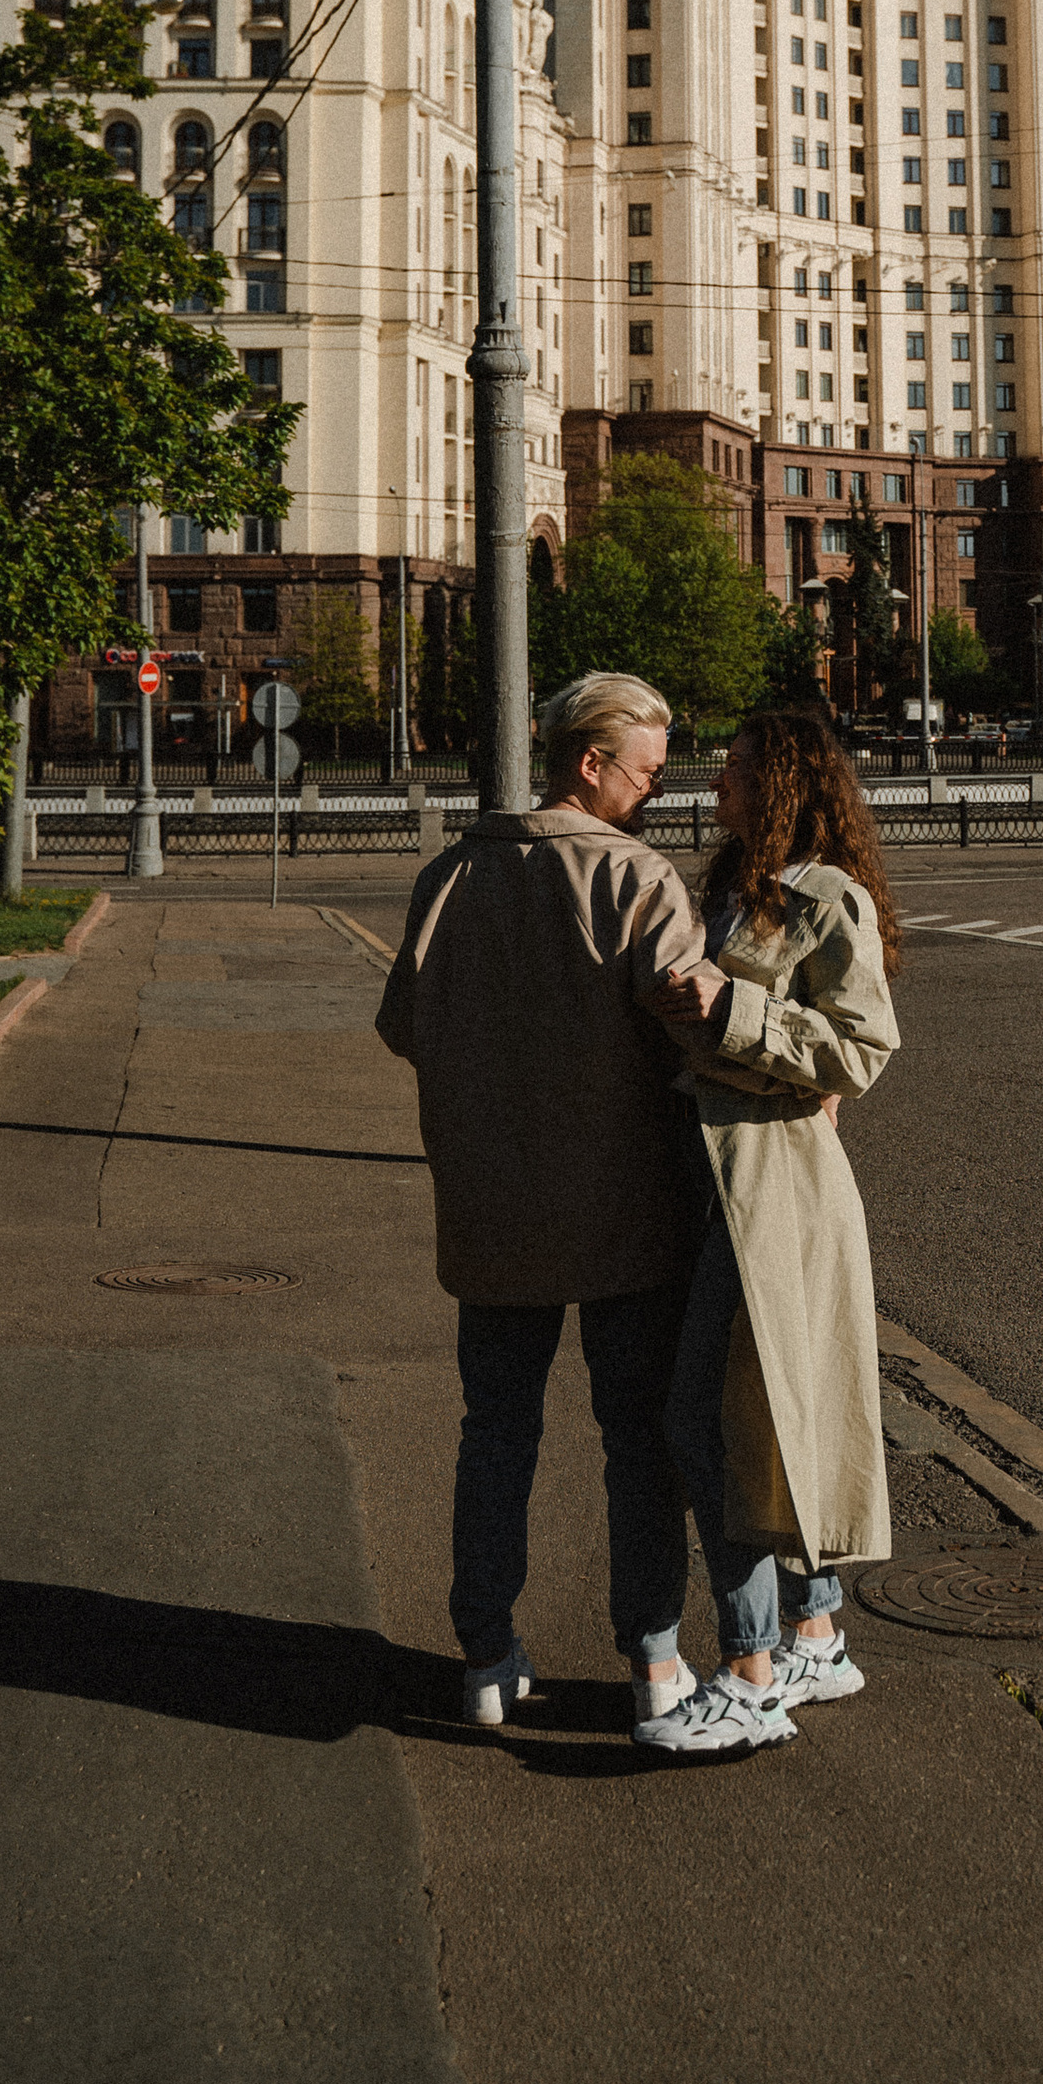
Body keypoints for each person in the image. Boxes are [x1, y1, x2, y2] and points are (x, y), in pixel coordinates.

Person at [376, 671, 706, 1731]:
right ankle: (653, 1660)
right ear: (587, 763)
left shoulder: (451, 876)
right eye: (645, 772)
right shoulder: (637, 880)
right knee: (637, 1439)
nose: (653, 794)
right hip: (623, 1207)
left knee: (496, 1431)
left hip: (491, 1207)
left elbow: (402, 1026)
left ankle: (484, 1655)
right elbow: (689, 1033)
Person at [644, 708, 903, 1757]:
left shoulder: (824, 898)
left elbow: (862, 1048)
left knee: (702, 1423)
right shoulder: (725, 891)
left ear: (786, 783)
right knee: (766, 1411)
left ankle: (751, 1670)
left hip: (776, 1193)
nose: (718, 785)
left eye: (739, 771)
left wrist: (729, 1013)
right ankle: (814, 1629)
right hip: (713, 1185)